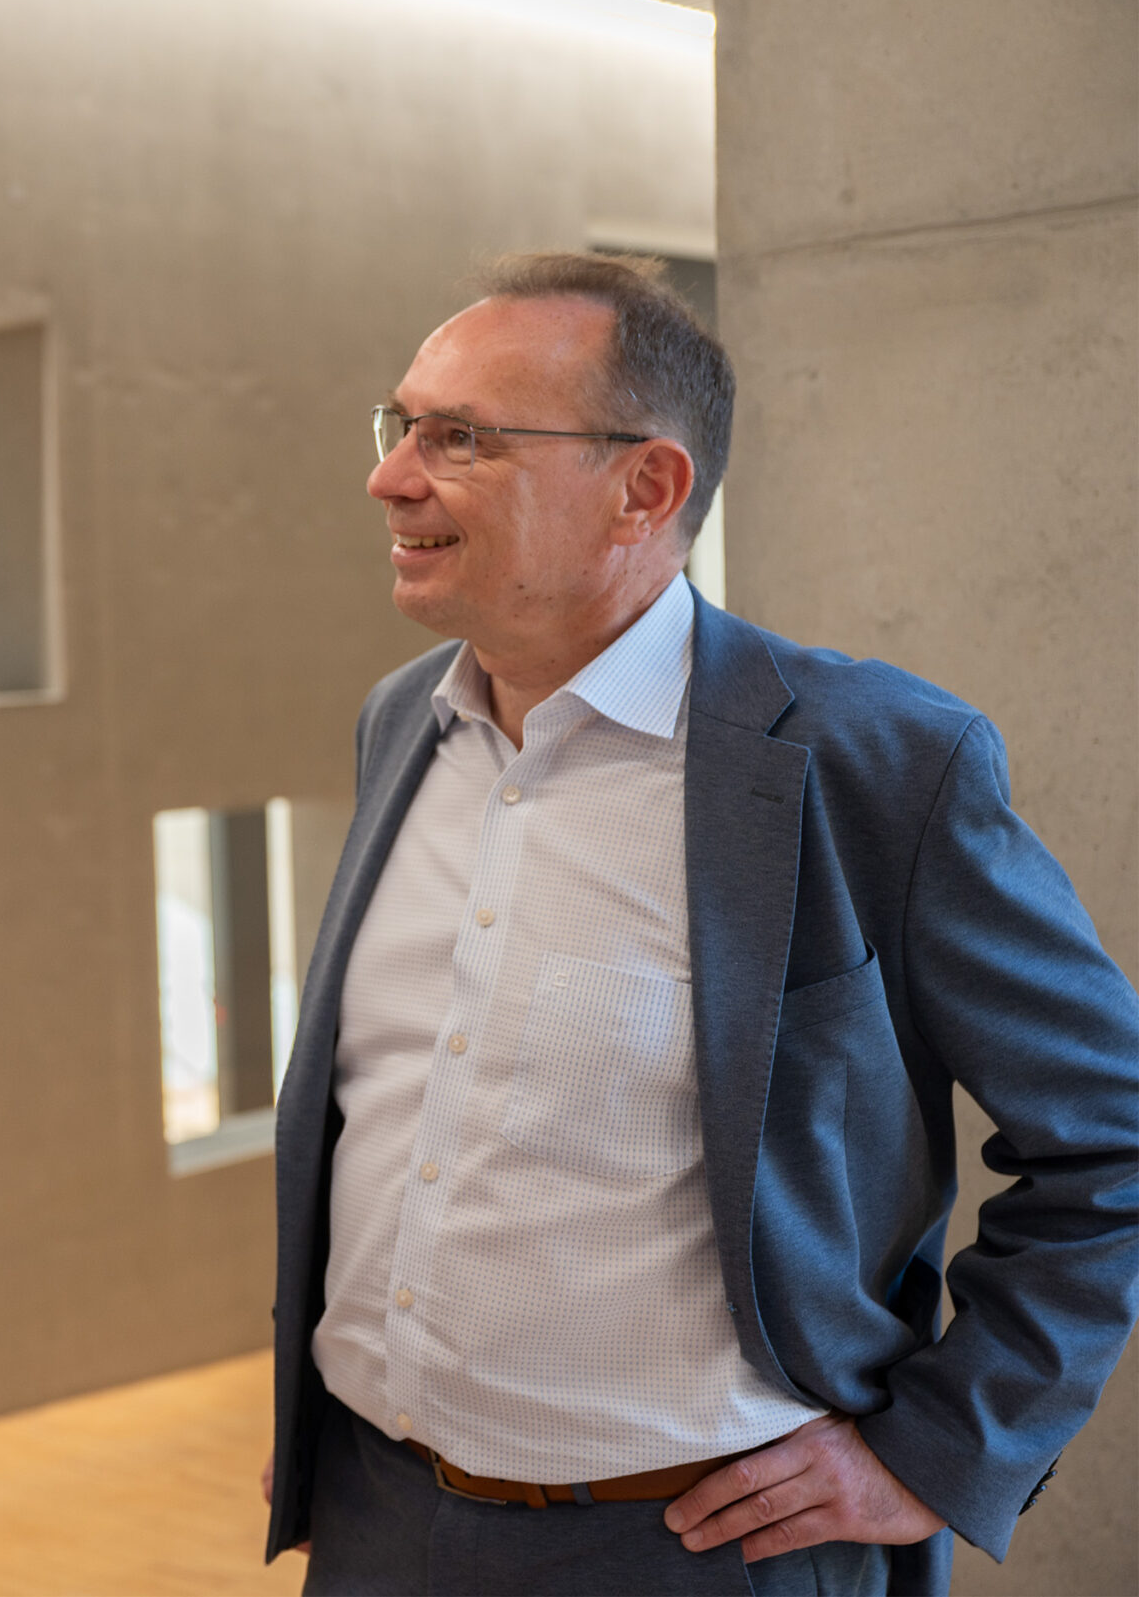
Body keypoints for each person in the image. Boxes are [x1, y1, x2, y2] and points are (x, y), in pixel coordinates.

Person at [260, 252, 1139, 1595]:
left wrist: (938, 1448)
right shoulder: (402, 726)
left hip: (700, 1551)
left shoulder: (874, 762)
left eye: (463, 438)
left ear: (647, 488)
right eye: (401, 426)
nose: (392, 475)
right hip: (375, 1519)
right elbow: (378, 1119)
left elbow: (1111, 1138)